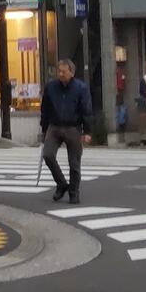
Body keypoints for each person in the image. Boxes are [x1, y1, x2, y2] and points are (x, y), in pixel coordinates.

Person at [40, 59, 94, 204]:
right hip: (54, 126)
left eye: (64, 71)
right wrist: (44, 128)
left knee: (74, 163)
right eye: (59, 71)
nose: (61, 74)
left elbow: (86, 110)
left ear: (72, 72)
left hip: (73, 127)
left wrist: (87, 131)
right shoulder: (51, 87)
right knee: (48, 155)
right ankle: (62, 184)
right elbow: (45, 109)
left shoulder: (80, 88)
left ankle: (74, 192)